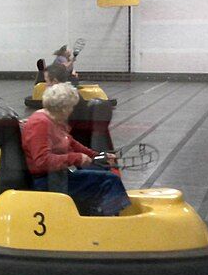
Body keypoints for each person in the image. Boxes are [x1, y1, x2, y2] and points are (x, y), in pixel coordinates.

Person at [21, 83, 129, 216]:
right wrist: (76, 158)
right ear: (63, 108)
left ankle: (101, 215)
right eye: (71, 107)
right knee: (109, 181)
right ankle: (106, 221)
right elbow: (42, 160)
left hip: (57, 176)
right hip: (46, 181)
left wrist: (96, 155)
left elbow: (71, 143)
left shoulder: (52, 119)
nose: (72, 111)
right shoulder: (40, 123)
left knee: (106, 177)